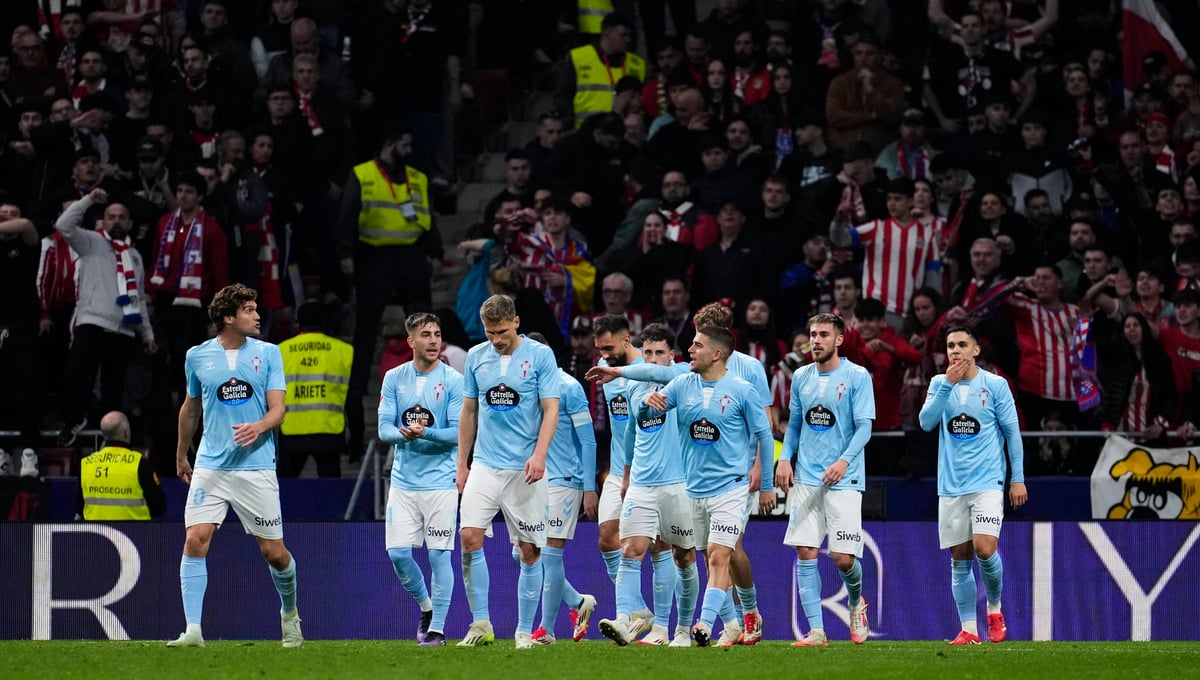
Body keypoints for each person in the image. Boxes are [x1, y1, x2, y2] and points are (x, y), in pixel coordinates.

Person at [168, 284, 300, 649]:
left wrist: (258, 426)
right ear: (228, 317)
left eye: (256, 309)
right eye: (249, 310)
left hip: (255, 467)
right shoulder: (197, 356)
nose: (258, 316)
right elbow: (191, 408)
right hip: (211, 466)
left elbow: (278, 409)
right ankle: (193, 631)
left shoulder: (269, 353)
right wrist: (181, 454)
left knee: (274, 554)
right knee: (195, 539)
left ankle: (290, 615)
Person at [636, 325, 774, 647]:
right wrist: (645, 404)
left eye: (697, 345)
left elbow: (765, 437)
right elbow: (645, 421)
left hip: (732, 486)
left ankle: (705, 623)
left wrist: (766, 484)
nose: (690, 351)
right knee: (707, 555)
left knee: (718, 554)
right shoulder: (682, 384)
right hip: (695, 488)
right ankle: (744, 617)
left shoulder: (742, 390)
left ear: (717, 354)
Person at [456, 295, 560, 649]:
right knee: (469, 537)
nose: (496, 339)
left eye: (502, 331)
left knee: (529, 550)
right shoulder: (475, 356)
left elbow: (550, 409)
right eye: (490, 333)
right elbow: (469, 411)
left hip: (525, 468)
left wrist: (540, 455)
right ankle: (481, 623)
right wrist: (462, 463)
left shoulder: (540, 355)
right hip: (485, 465)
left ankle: (523, 631)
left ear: (516, 322)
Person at [339, 124, 442, 464]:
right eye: (404, 143)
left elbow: (429, 217)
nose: (409, 150)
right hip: (374, 256)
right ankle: (357, 421)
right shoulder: (363, 174)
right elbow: (347, 216)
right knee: (366, 331)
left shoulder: (417, 177)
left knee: (424, 324)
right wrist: (346, 254)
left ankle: (428, 382)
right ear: (388, 143)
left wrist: (436, 252)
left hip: (411, 255)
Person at [918, 326, 1026, 645]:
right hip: (951, 485)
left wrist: (1017, 478)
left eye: (962, 344)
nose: (955, 350)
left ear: (976, 350)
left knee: (984, 548)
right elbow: (926, 422)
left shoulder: (995, 385)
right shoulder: (939, 384)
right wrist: (947, 384)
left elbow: (1012, 434)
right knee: (960, 557)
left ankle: (994, 609)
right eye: (950, 345)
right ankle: (969, 630)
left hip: (988, 481)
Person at [595, 323, 697, 647]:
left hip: (677, 484)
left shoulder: (683, 376)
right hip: (641, 482)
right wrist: (626, 475)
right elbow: (630, 432)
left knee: (683, 557)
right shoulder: (633, 386)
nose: (652, 359)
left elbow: (663, 375)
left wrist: (618, 370)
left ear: (672, 355)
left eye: (659, 353)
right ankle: (625, 618)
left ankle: (678, 630)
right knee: (631, 549)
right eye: (648, 352)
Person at [777, 313, 875, 647]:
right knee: (806, 551)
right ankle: (817, 632)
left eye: (823, 335)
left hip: (844, 479)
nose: (815, 341)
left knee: (843, 558)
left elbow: (864, 427)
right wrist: (785, 458)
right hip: (807, 477)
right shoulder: (801, 376)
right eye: (813, 334)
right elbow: (795, 424)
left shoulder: (857, 376)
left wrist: (843, 461)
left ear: (839, 340)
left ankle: (856, 602)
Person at [378, 312, 464, 648]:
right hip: (404, 484)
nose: (433, 341)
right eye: (426, 335)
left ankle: (437, 629)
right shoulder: (393, 378)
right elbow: (384, 428)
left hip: (441, 483)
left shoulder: (453, 380)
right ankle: (427, 608)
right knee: (398, 554)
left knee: (439, 556)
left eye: (437, 334)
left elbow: (457, 434)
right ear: (410, 341)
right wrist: (403, 434)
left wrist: (425, 432)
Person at [53, 189, 156, 448]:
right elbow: (63, 224)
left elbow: (138, 298)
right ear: (103, 222)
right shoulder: (90, 242)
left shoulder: (134, 256)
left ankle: (110, 439)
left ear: (130, 223)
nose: (117, 221)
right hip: (92, 324)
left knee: (114, 390)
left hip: (123, 330)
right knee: (75, 376)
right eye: (111, 217)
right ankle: (73, 421)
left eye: (122, 217)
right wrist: (88, 200)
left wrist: (147, 334)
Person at [523, 333, 599, 646]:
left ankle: (546, 630)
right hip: (533, 480)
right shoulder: (526, 387)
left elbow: (588, 440)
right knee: (522, 554)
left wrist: (589, 488)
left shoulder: (568, 387)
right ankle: (578, 601)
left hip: (565, 480)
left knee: (551, 556)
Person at [590, 314, 652, 638]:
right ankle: (638, 610)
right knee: (606, 538)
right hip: (618, 469)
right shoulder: (605, 368)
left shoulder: (650, 368)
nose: (604, 355)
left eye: (609, 348)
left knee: (657, 548)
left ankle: (647, 619)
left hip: (650, 472)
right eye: (600, 349)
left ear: (627, 340)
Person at [278, 302, 353, 478]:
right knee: (330, 487)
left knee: (284, 488)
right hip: (328, 432)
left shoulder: (280, 351)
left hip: (291, 433)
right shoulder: (343, 350)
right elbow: (353, 398)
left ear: (298, 322)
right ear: (325, 321)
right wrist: (356, 437)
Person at [77, 411, 165, 520]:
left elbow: (80, 507)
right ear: (125, 432)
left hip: (97, 530)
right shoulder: (139, 463)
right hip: (135, 530)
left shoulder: (86, 464)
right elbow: (158, 506)